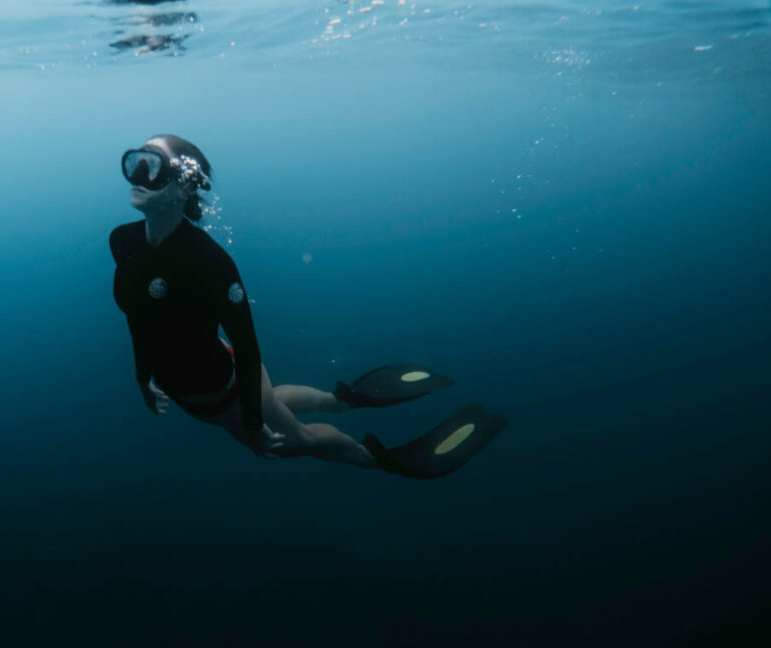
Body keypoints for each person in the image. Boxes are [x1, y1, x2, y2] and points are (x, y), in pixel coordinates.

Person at [110, 134, 506, 478]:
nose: (139, 176)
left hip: (229, 394)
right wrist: (142, 377)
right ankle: (343, 400)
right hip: (197, 396)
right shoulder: (122, 242)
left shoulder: (210, 262)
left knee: (298, 440)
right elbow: (138, 316)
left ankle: (376, 459)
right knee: (274, 400)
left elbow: (247, 348)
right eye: (136, 161)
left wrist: (251, 421)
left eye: (153, 165)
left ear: (183, 185)